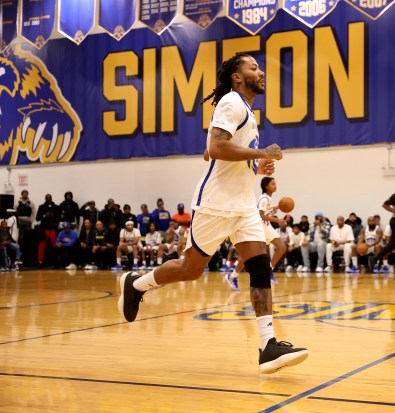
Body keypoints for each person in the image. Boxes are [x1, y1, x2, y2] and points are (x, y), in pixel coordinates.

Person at [117, 52, 308, 373]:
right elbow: (217, 148)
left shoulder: (246, 110)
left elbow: (211, 152)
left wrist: (256, 163)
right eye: (253, 67)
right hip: (216, 203)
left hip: (244, 204)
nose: (260, 71)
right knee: (191, 269)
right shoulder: (231, 102)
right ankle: (136, 284)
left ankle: (267, 346)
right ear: (237, 76)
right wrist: (261, 152)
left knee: (260, 266)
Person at [226, 177, 285, 289]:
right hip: (260, 227)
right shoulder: (264, 198)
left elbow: (268, 211)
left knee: (281, 247)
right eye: (272, 184)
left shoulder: (268, 198)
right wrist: (278, 220)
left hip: (267, 227)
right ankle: (233, 275)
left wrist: (278, 207)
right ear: (266, 186)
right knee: (250, 255)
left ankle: (269, 270)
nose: (275, 185)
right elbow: (261, 215)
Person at [36, 194, 60, 266]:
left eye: (49, 198)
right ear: (45, 199)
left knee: (55, 246)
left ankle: (56, 262)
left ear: (51, 198)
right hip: (44, 229)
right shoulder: (41, 207)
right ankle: (40, 262)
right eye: (47, 198)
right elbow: (37, 218)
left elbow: (59, 218)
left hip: (53, 229)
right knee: (41, 246)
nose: (48, 199)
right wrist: (44, 215)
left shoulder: (56, 207)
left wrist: (55, 219)